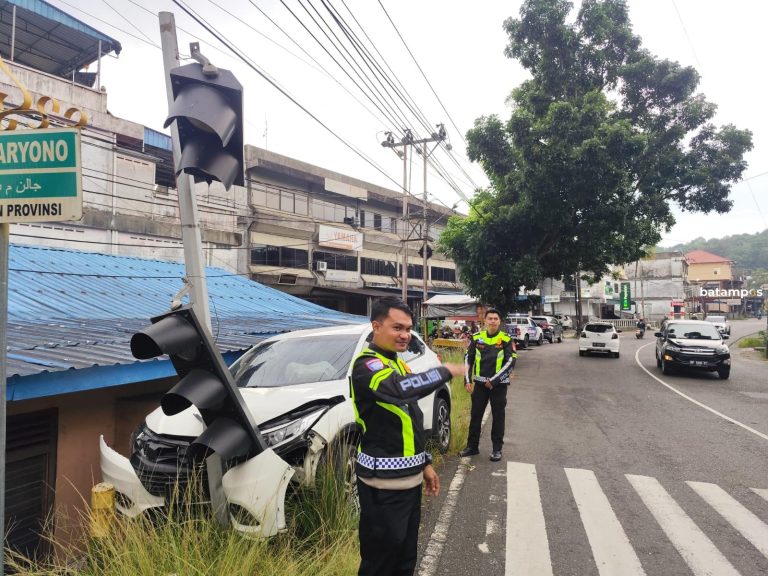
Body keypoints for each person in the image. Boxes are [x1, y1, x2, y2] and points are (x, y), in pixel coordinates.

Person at [350, 297, 464, 576]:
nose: (405, 336)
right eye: (397, 328)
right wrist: (444, 371)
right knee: (380, 564)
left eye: (408, 329)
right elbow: (399, 390)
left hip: (408, 483)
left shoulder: (399, 364)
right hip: (382, 488)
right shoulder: (367, 367)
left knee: (404, 559)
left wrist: (424, 462)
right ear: (376, 326)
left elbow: (411, 419)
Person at [459, 308, 517, 462]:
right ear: (484, 321)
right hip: (479, 385)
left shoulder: (506, 339)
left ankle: (497, 449)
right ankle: (472, 447)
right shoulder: (476, 337)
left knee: (498, 417)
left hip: (499, 385)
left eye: (495, 319)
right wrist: (467, 380)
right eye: (490, 318)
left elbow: (511, 362)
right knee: (476, 415)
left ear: (499, 321)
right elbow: (468, 359)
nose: (492, 321)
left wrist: (494, 380)